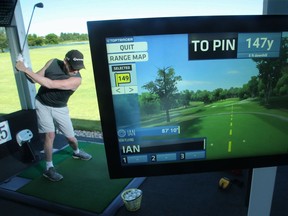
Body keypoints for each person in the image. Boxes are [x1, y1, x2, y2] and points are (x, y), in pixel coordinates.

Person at [16, 50, 92, 182]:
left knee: (71, 138)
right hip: (42, 104)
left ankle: (77, 151)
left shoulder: (76, 80)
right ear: (65, 61)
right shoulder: (52, 62)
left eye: (78, 68)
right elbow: (33, 79)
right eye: (73, 67)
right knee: (50, 135)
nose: (75, 71)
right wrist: (24, 65)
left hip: (60, 108)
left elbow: (50, 84)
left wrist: (25, 69)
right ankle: (49, 168)